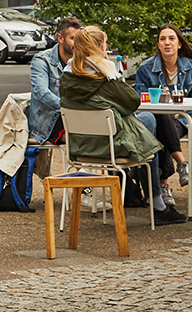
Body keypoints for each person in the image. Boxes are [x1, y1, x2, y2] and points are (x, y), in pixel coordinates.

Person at [59, 25, 185, 225]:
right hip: (111, 147)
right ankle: (157, 204)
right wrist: (109, 69)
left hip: (80, 147)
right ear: (101, 47)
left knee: (144, 127)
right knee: (149, 121)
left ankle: (139, 194)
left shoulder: (66, 78)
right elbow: (132, 102)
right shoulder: (105, 77)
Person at [134, 23, 192, 208]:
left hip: (183, 119)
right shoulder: (145, 68)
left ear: (179, 44)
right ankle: (182, 163)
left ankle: (163, 185)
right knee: (160, 118)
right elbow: (140, 102)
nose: (167, 42)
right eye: (162, 39)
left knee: (161, 127)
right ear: (158, 45)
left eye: (171, 38)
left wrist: (181, 110)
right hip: (156, 120)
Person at [27, 15, 83, 149]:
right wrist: (70, 108)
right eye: (73, 39)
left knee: (108, 133)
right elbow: (41, 92)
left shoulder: (83, 61)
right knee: (82, 139)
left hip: (76, 117)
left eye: (80, 40)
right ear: (60, 38)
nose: (78, 44)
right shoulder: (42, 60)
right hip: (48, 122)